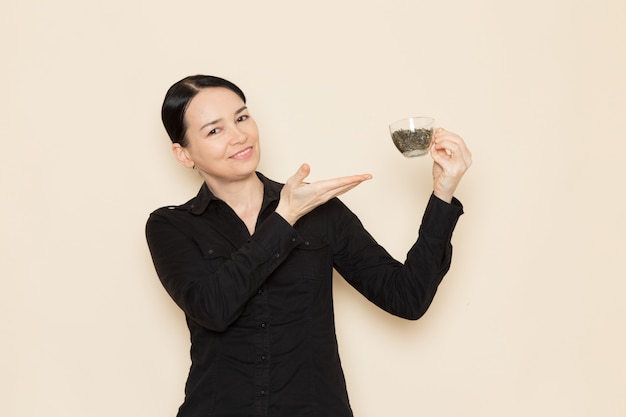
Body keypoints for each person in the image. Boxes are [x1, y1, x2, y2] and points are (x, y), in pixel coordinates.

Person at [145, 75, 472, 417]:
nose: (239, 136)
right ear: (183, 154)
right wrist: (284, 218)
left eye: (241, 118)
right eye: (215, 130)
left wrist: (443, 192)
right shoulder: (172, 226)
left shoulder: (319, 211)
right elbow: (213, 308)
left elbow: (407, 298)